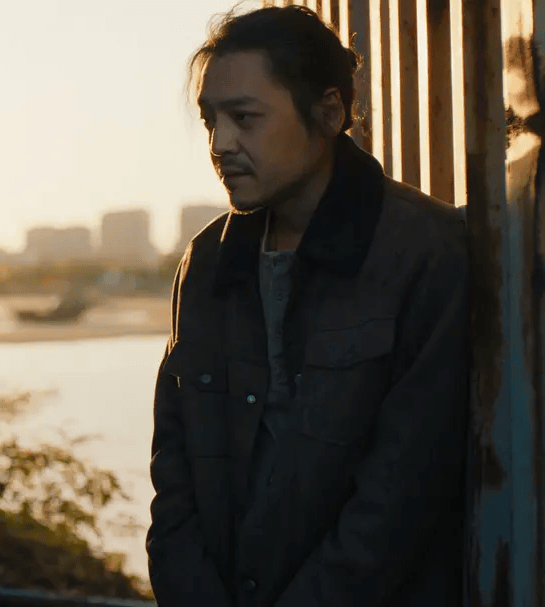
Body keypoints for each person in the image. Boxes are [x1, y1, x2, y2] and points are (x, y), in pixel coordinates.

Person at [146, 6, 469, 606]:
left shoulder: (425, 251)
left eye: (244, 118)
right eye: (211, 120)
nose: (220, 144)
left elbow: (403, 492)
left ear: (329, 112)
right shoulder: (207, 261)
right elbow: (174, 473)